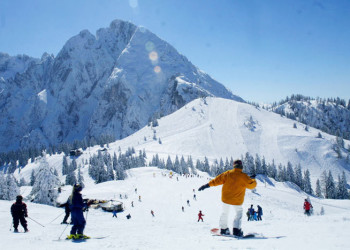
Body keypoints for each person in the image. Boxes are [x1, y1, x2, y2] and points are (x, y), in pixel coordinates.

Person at [198, 160, 256, 236]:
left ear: (234, 166)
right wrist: (253, 179)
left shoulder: (228, 173)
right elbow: (252, 185)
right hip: (237, 200)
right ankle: (236, 230)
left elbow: (217, 180)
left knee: (225, 213)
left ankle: (224, 229)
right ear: (241, 166)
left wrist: (206, 185)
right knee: (239, 213)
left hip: (226, 199)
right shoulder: (244, 176)